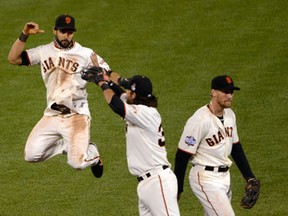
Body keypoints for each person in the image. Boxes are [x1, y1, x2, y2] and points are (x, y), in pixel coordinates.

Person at [7, 14, 109, 178]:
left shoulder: (85, 53)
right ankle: (67, 146)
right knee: (31, 155)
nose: (66, 35)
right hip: (52, 115)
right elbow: (13, 59)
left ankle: (92, 153)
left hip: (77, 116)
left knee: (77, 163)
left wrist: (105, 78)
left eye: (70, 32)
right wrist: (24, 34)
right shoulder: (44, 51)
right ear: (55, 30)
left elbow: (107, 73)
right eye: (63, 31)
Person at [81, 62, 180, 215]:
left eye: (129, 92)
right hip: (147, 184)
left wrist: (101, 83)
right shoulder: (140, 106)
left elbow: (117, 106)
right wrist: (107, 78)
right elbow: (119, 94)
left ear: (136, 95)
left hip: (158, 182)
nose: (127, 94)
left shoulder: (146, 113)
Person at [174, 75, 260, 215]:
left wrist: (249, 177)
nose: (230, 95)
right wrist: (177, 189)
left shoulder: (230, 115)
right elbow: (182, 155)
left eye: (231, 92)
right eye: (225, 91)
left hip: (224, 178)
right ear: (213, 92)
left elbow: (236, 147)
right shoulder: (200, 120)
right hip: (205, 178)